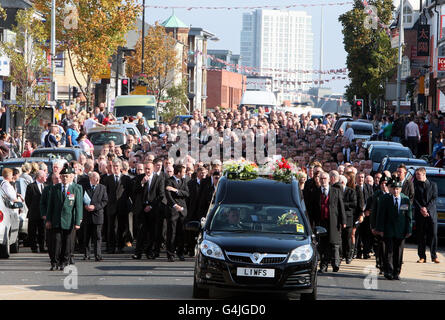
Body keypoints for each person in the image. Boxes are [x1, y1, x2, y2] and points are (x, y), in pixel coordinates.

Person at [45, 165, 83, 271]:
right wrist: (48, 220)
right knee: (56, 242)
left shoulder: (76, 188)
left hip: (69, 220)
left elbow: (78, 206)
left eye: (67, 176)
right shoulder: (55, 188)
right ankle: (54, 262)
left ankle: (64, 262)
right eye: (63, 176)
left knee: (67, 243)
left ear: (71, 177)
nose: (65, 179)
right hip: (56, 220)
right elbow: (50, 206)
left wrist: (78, 221)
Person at [376, 178, 412, 280]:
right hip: (388, 229)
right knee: (389, 251)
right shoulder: (385, 199)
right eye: (394, 189)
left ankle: (397, 271)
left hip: (401, 230)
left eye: (398, 189)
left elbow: (408, 216)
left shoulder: (405, 199)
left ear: (400, 189)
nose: (396, 191)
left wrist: (408, 230)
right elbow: (381, 215)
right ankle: (389, 271)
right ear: (391, 189)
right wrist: (380, 229)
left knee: (399, 252)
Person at [132, 162, 165, 260]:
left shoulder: (159, 179)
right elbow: (134, 191)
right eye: (145, 168)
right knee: (141, 231)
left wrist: (151, 206)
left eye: (149, 169)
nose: (147, 171)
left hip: (153, 208)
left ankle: (149, 251)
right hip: (141, 208)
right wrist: (142, 183)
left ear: (153, 168)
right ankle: (138, 253)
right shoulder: (140, 178)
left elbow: (161, 195)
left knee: (152, 232)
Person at [316, 172, 346, 273]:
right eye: (321, 179)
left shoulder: (335, 191)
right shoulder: (316, 192)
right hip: (321, 222)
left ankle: (335, 264)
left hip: (333, 221)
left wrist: (343, 221)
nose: (323, 181)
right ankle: (323, 266)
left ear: (329, 180)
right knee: (322, 245)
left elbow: (341, 207)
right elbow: (312, 209)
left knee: (334, 244)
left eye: (325, 179)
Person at [102, 159, 133, 254]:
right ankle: (110, 246)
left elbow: (129, 192)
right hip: (111, 206)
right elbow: (105, 192)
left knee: (121, 227)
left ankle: (120, 246)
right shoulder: (108, 179)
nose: (115, 168)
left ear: (120, 167)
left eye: (117, 166)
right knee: (111, 227)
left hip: (122, 206)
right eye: (113, 166)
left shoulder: (126, 179)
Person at [413, 167, 440, 263]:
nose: (417, 176)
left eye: (418, 175)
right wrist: (421, 208)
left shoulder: (433, 185)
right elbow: (414, 199)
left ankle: (434, 256)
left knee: (433, 234)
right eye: (416, 175)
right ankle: (422, 256)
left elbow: (434, 198)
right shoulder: (415, 185)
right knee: (421, 235)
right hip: (420, 214)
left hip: (431, 213)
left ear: (424, 174)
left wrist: (426, 208)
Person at [165, 164, 189, 262]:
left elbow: (187, 193)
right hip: (173, 210)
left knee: (181, 233)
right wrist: (175, 205)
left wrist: (176, 190)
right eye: (183, 172)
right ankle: (170, 254)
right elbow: (168, 195)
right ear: (178, 173)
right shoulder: (169, 180)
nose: (185, 173)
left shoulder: (184, 181)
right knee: (172, 233)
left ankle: (180, 253)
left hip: (182, 210)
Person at [82, 172, 108, 261]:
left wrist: (95, 207)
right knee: (86, 236)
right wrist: (85, 206)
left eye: (98, 178)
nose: (97, 180)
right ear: (90, 178)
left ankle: (98, 255)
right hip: (87, 215)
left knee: (97, 236)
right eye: (95, 178)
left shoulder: (102, 188)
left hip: (97, 215)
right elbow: (80, 199)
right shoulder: (84, 187)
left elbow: (105, 201)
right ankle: (86, 254)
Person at [25, 170, 47, 253]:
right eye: (44, 176)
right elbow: (28, 200)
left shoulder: (46, 186)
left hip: (43, 214)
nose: (46, 178)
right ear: (40, 177)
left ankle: (42, 246)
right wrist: (32, 208)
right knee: (33, 231)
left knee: (42, 231)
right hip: (33, 213)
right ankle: (34, 247)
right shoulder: (31, 186)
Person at [337, 175, 357, 264]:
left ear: (343, 183)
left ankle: (348, 255)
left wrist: (342, 205)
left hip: (348, 218)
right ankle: (340, 255)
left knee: (347, 237)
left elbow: (353, 204)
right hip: (338, 217)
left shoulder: (351, 191)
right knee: (339, 238)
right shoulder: (336, 191)